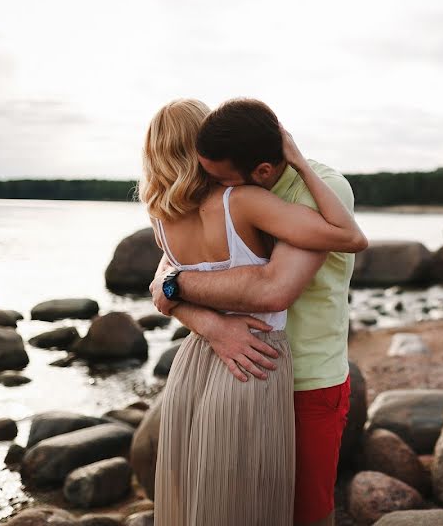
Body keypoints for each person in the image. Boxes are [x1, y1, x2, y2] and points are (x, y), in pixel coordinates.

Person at [140, 98, 367, 526]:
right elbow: (163, 285)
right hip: (229, 364)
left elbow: (270, 289)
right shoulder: (224, 196)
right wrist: (212, 325)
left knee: (301, 513)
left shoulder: (316, 189)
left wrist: (178, 286)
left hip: (304, 378)